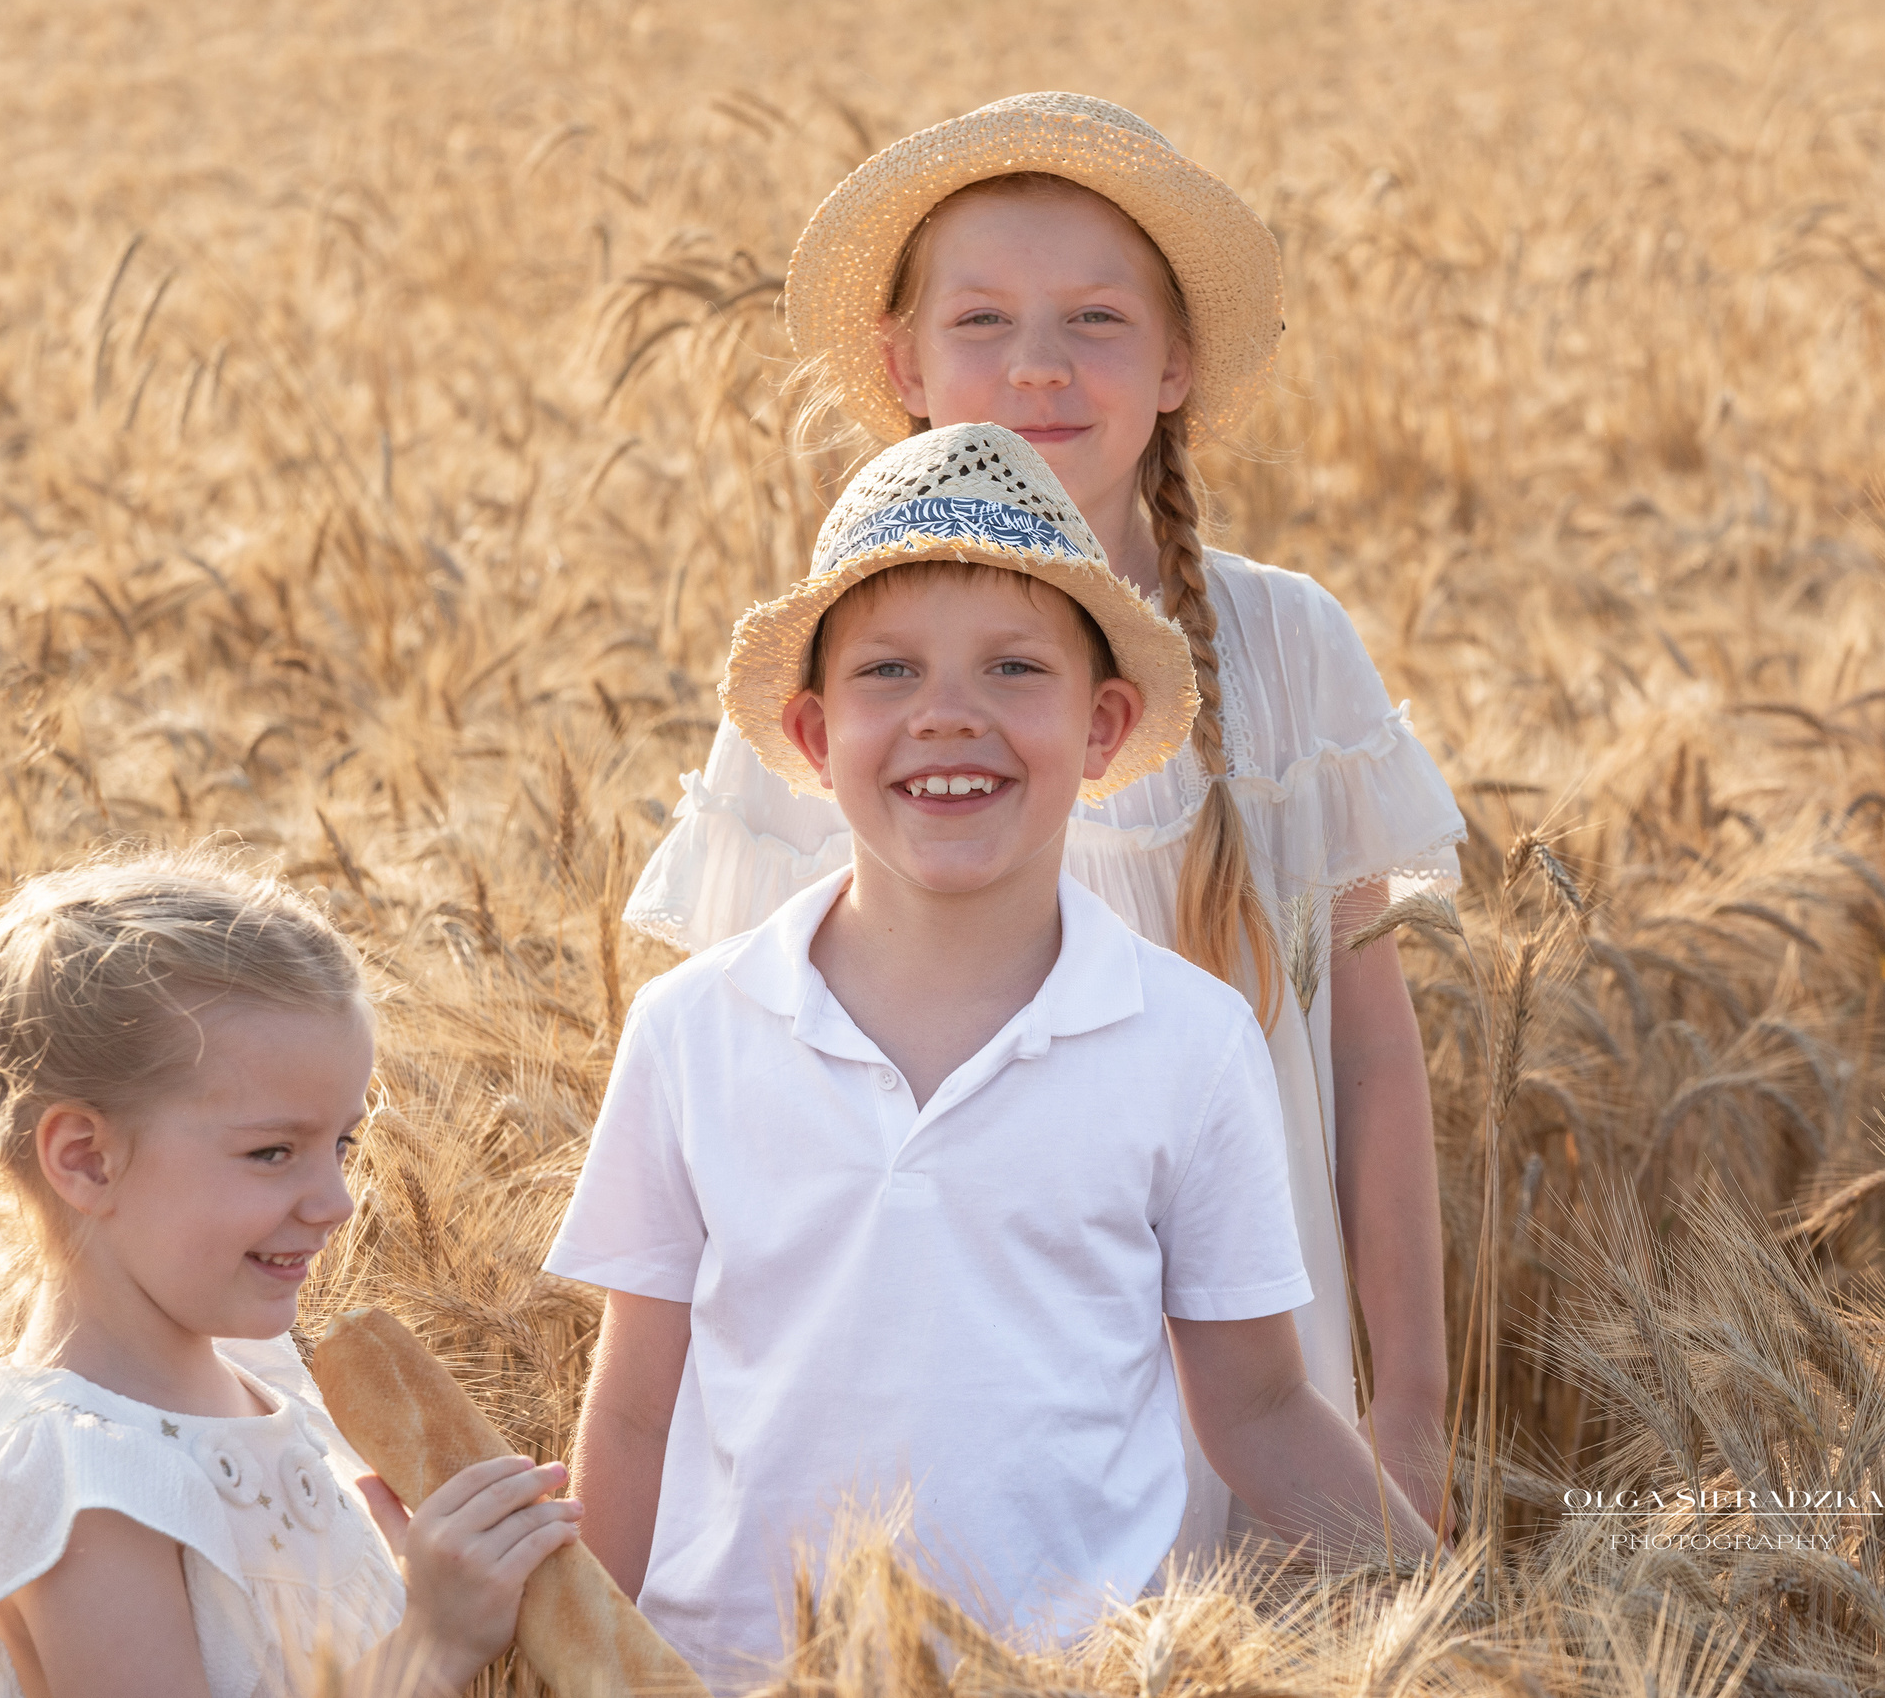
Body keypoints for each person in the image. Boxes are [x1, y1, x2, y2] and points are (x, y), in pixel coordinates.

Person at [625, 93, 1468, 1552]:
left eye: (1093, 318)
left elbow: (1374, 1055)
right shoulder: (845, 684)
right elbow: (731, 1105)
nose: (1036, 366)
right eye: (981, 322)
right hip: (945, 1396)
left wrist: (1409, 1411)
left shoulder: (1281, 647)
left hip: (1259, 1387)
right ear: (901, 361)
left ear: (1180, 360)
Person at [554, 424, 1436, 1690]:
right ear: (811, 734)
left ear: (1102, 722)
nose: (947, 716)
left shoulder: (1188, 1042)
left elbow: (1257, 1408)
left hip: (1063, 1670)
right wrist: (575, 1658)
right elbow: (636, 1404)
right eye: (890, 671)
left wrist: (1447, 1626)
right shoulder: (695, 1029)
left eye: (1015, 667)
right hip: (740, 1669)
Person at [0, 854, 585, 1698]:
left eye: (342, 1144)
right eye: (272, 1151)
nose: (338, 1200)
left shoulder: (264, 1381)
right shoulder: (88, 1489)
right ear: (88, 1159)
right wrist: (433, 1640)